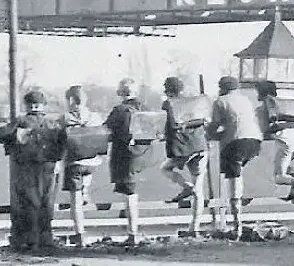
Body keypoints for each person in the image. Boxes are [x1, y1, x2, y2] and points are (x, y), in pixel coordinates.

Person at [0, 89, 63, 252]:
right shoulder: (52, 123)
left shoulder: (21, 121)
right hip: (48, 165)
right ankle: (46, 237)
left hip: (26, 166)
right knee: (47, 201)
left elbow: (1, 133)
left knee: (30, 201)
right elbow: (63, 141)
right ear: (43, 105)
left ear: (27, 105)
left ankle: (30, 239)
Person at [208, 76, 263, 240]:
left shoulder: (220, 101)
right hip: (254, 141)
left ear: (222, 88)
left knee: (233, 181)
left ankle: (237, 226)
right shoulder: (245, 100)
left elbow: (214, 124)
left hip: (235, 143)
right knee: (235, 176)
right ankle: (236, 210)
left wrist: (209, 135)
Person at [159, 76, 211, 236]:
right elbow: (205, 120)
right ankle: (194, 228)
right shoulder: (195, 102)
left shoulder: (168, 104)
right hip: (201, 146)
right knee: (200, 189)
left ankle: (187, 187)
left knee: (165, 169)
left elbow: (166, 125)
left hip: (183, 147)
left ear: (167, 90)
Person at [58, 85, 105, 248]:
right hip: (92, 162)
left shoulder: (65, 118)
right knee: (83, 185)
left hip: (75, 163)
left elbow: (58, 138)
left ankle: (80, 234)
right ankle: (86, 190)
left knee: (75, 202)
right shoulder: (95, 117)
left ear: (71, 100)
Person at [105, 78, 148, 248]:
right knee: (131, 192)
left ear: (121, 92)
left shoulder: (119, 111)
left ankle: (132, 233)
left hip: (124, 156)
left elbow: (106, 130)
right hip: (141, 154)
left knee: (130, 194)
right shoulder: (143, 109)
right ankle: (132, 230)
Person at [255, 80, 294, 205]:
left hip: (285, 140)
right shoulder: (283, 104)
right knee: (288, 167)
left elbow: (265, 130)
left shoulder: (262, 108)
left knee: (279, 177)